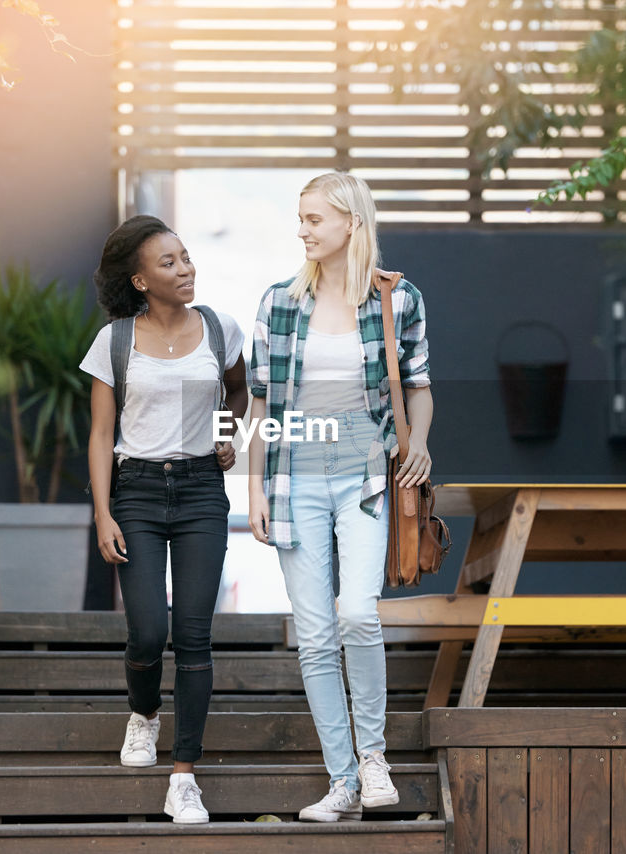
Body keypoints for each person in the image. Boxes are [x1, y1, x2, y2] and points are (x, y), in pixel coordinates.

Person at [246, 172, 434, 822]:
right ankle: (343, 782)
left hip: (364, 466)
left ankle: (375, 758)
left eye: (314, 219)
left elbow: (420, 386)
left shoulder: (396, 299)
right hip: (294, 467)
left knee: (357, 612)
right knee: (316, 634)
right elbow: (261, 403)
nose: (302, 230)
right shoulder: (277, 303)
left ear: (351, 223)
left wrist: (421, 444)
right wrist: (257, 488)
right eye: (300, 219)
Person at [81, 215, 248, 824]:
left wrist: (229, 435)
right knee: (150, 630)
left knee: (195, 635)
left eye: (186, 257)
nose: (185, 270)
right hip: (138, 494)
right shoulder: (115, 340)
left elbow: (238, 392)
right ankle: (144, 715)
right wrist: (103, 513)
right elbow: (102, 435)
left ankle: (184, 776)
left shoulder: (219, 328)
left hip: (203, 490)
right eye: (169, 263)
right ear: (140, 279)